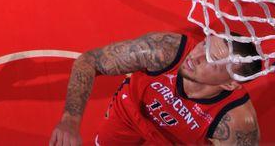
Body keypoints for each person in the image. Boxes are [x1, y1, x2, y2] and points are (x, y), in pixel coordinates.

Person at [50, 32, 261, 146]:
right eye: (204, 45)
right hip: (129, 114)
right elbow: (88, 62)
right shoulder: (164, 51)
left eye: (211, 59)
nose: (195, 57)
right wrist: (70, 121)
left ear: (230, 83)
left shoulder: (237, 122)